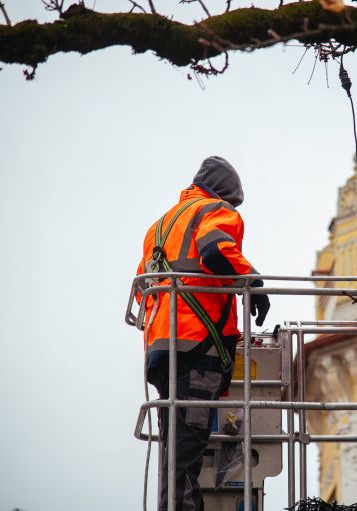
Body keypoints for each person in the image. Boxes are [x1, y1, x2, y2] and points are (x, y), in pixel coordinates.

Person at [136, 156, 270, 511]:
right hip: (197, 346)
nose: (233, 209)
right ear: (226, 194)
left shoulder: (160, 227)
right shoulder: (216, 210)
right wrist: (253, 283)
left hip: (161, 348)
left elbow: (143, 290)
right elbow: (215, 251)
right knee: (185, 453)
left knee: (175, 452)